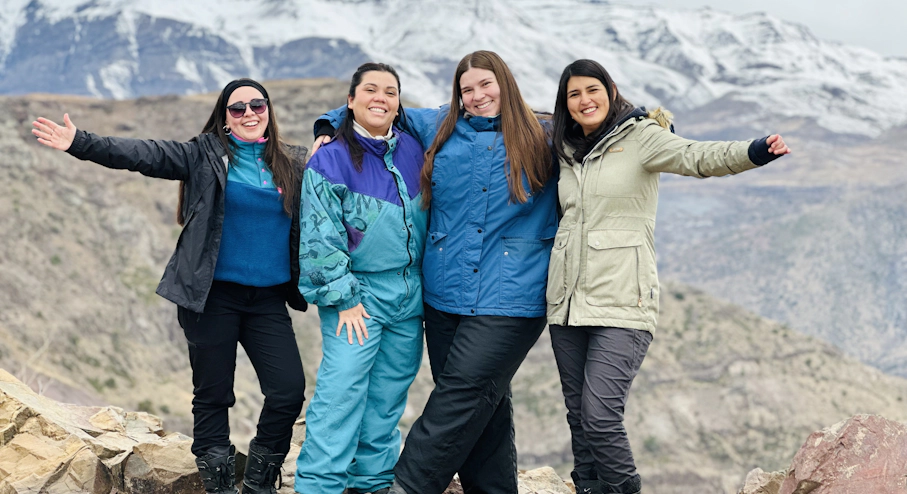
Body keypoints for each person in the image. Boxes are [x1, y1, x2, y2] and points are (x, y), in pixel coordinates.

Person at [31, 79, 308, 494]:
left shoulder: (293, 162)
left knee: (288, 390)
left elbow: (348, 134)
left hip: (267, 300)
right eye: (238, 108)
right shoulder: (202, 156)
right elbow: (141, 154)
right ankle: (218, 485)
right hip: (211, 296)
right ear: (225, 118)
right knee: (214, 394)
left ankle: (258, 482)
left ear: (269, 109)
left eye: (257, 104)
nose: (250, 113)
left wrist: (325, 126)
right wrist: (79, 142)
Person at [313, 49, 558, 494]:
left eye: (487, 84)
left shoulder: (544, 133)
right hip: (444, 294)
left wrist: (645, 124)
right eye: (467, 89)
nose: (478, 95)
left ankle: (407, 486)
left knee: (459, 395)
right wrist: (329, 127)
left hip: (511, 294)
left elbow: (600, 127)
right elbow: (379, 108)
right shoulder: (440, 125)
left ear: (506, 81)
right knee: (486, 403)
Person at [546, 59, 791, 494]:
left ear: (611, 90)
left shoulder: (641, 138)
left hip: (624, 299)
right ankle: (588, 488)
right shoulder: (563, 148)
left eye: (592, 90)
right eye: (574, 94)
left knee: (600, 415)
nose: (584, 100)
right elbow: (516, 118)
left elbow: (697, 156)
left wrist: (754, 152)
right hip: (567, 300)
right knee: (578, 418)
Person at [293, 62, 427, 494]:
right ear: (349, 100)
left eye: (390, 92)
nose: (381, 98)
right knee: (341, 394)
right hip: (357, 295)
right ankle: (319, 486)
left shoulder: (414, 148)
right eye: (370, 90)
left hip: (409, 296)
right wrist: (344, 298)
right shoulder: (330, 158)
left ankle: (370, 483)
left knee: (388, 397)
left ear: (399, 103)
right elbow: (319, 236)